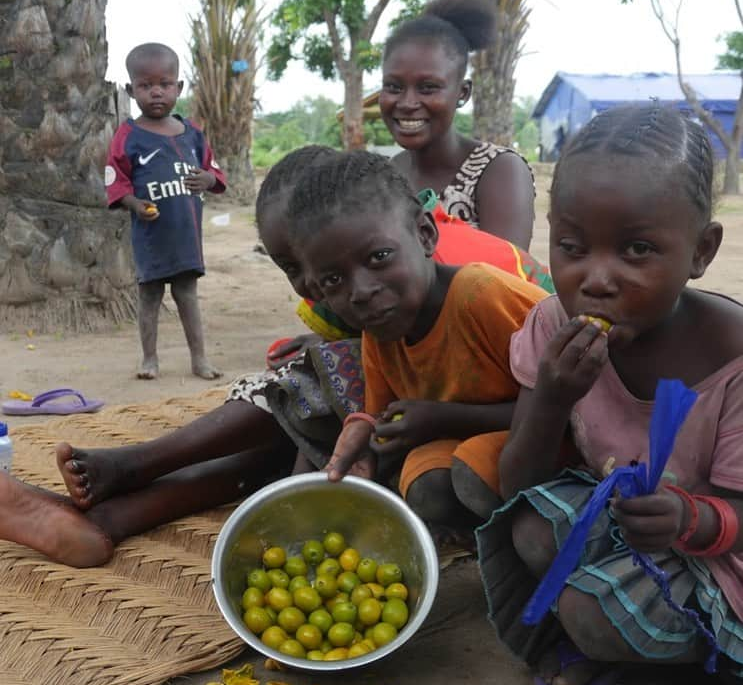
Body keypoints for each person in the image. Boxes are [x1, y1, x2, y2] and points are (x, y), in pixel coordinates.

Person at [0, 145, 545, 568]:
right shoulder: (362, 285)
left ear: (419, 236)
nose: (317, 286)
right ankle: (109, 516)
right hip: (441, 407)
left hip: (513, 410)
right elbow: (373, 393)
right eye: (299, 269)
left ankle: (136, 468)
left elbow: (557, 384)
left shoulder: (455, 278)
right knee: (301, 426)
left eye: (317, 270)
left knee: (310, 387)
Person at [476, 104, 743, 685]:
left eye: (638, 249)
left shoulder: (731, 357)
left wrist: (690, 520)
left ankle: (723, 654)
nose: (595, 279)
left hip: (719, 547)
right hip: (635, 522)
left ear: (701, 251)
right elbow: (519, 485)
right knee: (533, 529)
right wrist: (551, 398)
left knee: (588, 614)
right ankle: (643, 640)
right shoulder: (551, 322)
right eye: (571, 246)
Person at [288, 150, 547, 530]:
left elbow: (573, 404)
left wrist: (442, 417)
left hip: (549, 434)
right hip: (472, 434)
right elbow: (378, 409)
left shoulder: (482, 295)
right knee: (426, 485)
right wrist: (364, 429)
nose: (360, 292)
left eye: (378, 257)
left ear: (425, 234)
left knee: (473, 471)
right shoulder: (381, 327)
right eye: (332, 281)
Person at [105, 42, 226, 380]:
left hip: (186, 234)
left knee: (187, 295)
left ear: (179, 87)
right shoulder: (128, 136)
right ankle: (149, 359)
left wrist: (206, 178)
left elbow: (214, 173)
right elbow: (116, 181)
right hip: (150, 237)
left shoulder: (193, 134)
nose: (156, 92)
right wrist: (134, 204)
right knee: (150, 297)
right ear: (131, 90)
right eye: (145, 86)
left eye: (165, 84)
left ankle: (199, 359)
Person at [379, 0, 535, 250]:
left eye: (428, 88)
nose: (407, 103)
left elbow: (504, 281)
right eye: (394, 87)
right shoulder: (386, 176)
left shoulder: (497, 171)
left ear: (462, 93)